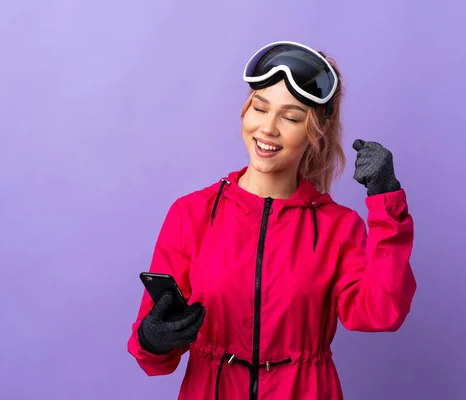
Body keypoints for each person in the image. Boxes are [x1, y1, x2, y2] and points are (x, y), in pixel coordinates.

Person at [127, 41, 416, 400]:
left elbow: (380, 312)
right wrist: (152, 339)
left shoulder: (338, 226)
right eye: (260, 108)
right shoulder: (192, 214)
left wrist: (386, 202)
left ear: (316, 130)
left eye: (291, 117)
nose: (268, 128)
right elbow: (155, 358)